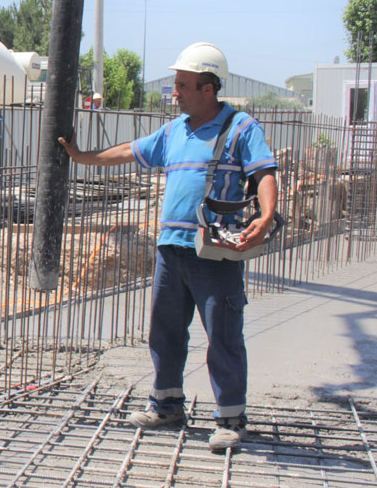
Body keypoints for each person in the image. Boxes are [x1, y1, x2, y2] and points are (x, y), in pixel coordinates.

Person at [57, 42, 278, 450]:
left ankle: (231, 416)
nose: (174, 92)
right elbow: (129, 151)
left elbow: (264, 172)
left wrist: (265, 218)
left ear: (207, 88)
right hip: (171, 248)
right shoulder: (175, 130)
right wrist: (81, 157)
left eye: (182, 85)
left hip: (213, 252)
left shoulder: (241, 128)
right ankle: (167, 404)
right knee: (165, 331)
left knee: (223, 334)